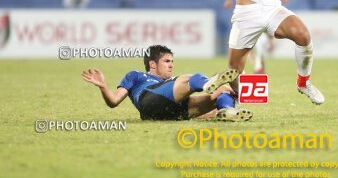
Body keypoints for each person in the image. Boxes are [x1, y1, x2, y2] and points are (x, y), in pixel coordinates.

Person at [82, 45, 252, 121]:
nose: (171, 65)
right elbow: (113, 101)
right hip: (150, 99)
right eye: (167, 61)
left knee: (224, 91)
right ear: (152, 64)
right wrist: (104, 87)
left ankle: (227, 111)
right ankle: (208, 83)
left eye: (172, 61)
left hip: (170, 113)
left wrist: (211, 113)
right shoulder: (136, 75)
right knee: (188, 78)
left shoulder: (169, 82)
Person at [224, 0, 289, 74]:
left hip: (266, 0)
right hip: (246, 3)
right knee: (244, 37)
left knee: (262, 34)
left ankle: (256, 62)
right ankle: (253, 64)